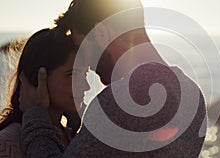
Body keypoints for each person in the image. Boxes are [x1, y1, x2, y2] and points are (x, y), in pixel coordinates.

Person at [20, 0, 207, 157]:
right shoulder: (193, 96)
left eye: (83, 48)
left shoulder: (119, 102)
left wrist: (35, 116)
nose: (87, 63)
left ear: (101, 33)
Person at [0, 28, 89, 157]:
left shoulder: (71, 136)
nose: (86, 86)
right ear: (37, 78)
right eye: (72, 75)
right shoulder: (7, 145)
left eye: (85, 75)